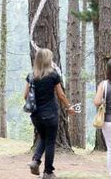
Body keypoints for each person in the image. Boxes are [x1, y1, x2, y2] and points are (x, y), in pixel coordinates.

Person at [24, 48, 75, 179]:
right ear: (48, 60)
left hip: (35, 115)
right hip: (50, 114)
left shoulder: (31, 76)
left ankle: (35, 161)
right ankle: (48, 172)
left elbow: (25, 95)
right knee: (50, 142)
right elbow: (61, 95)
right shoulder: (53, 75)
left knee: (43, 138)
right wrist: (69, 107)